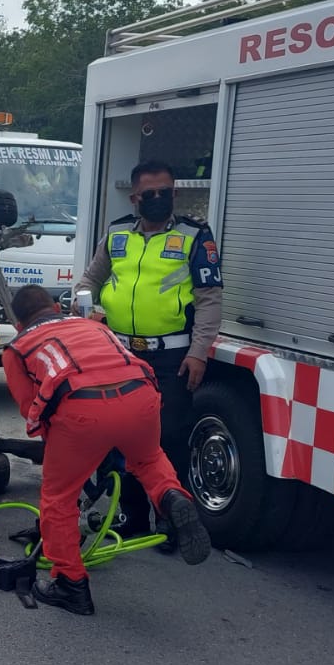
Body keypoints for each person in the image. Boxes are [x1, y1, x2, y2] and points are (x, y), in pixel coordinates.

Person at [1, 285, 212, 616]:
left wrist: (65, 451)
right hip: (141, 394)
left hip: (81, 408)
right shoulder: (94, 324)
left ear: (18, 324)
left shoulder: (18, 348)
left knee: (59, 498)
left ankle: (70, 585)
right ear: (58, 307)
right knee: (148, 459)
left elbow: (33, 410)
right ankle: (172, 499)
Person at [73, 161, 223, 543]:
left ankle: (172, 523)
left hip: (172, 358)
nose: (159, 200)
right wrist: (85, 307)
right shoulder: (117, 232)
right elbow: (91, 278)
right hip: (119, 355)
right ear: (135, 197)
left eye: (166, 192)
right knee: (124, 437)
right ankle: (134, 518)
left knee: (168, 439)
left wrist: (199, 352)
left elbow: (208, 300)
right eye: (150, 194)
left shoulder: (194, 236)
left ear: (174, 193)